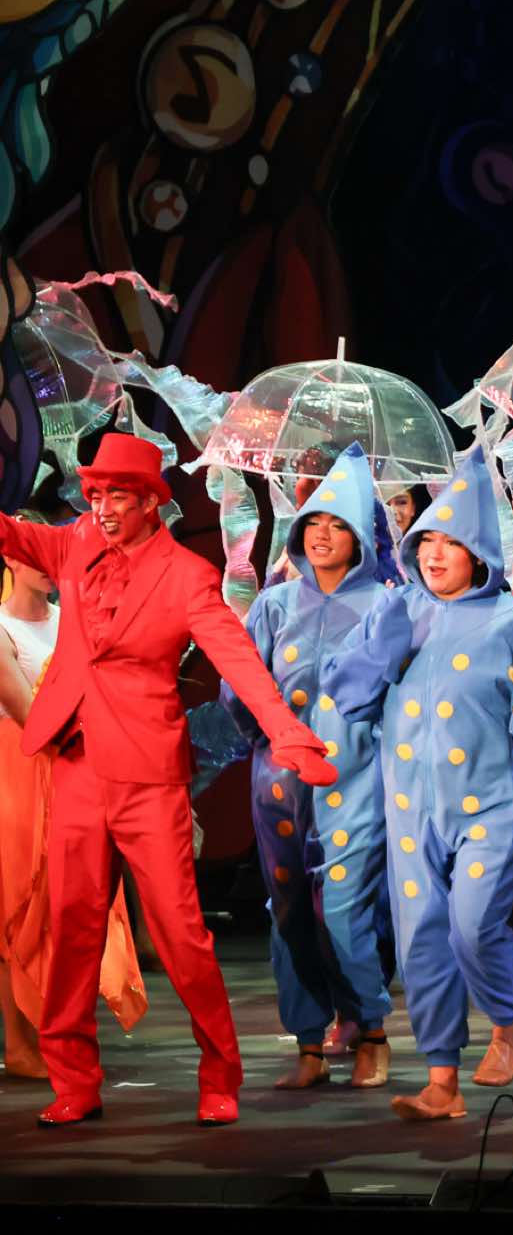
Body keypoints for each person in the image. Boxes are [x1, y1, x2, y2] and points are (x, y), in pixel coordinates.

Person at [4, 432, 338, 1128]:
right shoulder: (74, 542)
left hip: (147, 775)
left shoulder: (186, 575)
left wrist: (286, 730)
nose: (102, 508)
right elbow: (12, 532)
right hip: (75, 763)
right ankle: (74, 1079)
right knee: (73, 928)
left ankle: (219, 1073)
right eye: (96, 494)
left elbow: (237, 658)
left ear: (151, 502)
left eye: (117, 497)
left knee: (182, 934)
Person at [321, 447, 513, 1121]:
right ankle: (442, 1081)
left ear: (479, 552)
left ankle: (505, 1019)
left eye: (451, 543)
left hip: (494, 802)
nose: (435, 555)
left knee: (471, 925)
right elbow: (347, 695)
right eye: (425, 542)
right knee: (421, 941)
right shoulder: (397, 609)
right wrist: (379, 653)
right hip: (412, 807)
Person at [227, 444, 400, 1091]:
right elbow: (241, 686)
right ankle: (308, 1041)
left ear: (360, 537)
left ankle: (370, 1028)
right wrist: (266, 743)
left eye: (337, 525)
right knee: (289, 908)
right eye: (313, 524)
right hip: (277, 781)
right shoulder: (274, 605)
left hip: (357, 775)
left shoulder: (387, 603)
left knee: (348, 909)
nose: (322, 535)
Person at [0, 511, 146, 1081]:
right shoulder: (2, 628)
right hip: (18, 770)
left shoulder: (73, 622)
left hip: (76, 766)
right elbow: (25, 710)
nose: (45, 564)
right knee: (19, 905)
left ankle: (60, 1032)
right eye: (32, 552)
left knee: (72, 903)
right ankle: (20, 1042)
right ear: (10, 558)